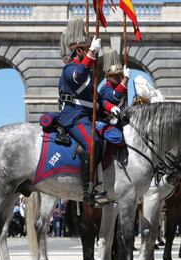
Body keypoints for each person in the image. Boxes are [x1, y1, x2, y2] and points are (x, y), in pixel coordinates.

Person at [57, 18, 130, 206]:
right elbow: (78, 76)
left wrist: (110, 107)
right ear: (80, 51)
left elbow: (97, 99)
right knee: (93, 142)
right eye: (89, 51)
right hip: (73, 116)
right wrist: (91, 52)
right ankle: (88, 190)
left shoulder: (90, 75)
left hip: (86, 116)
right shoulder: (70, 69)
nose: (95, 57)